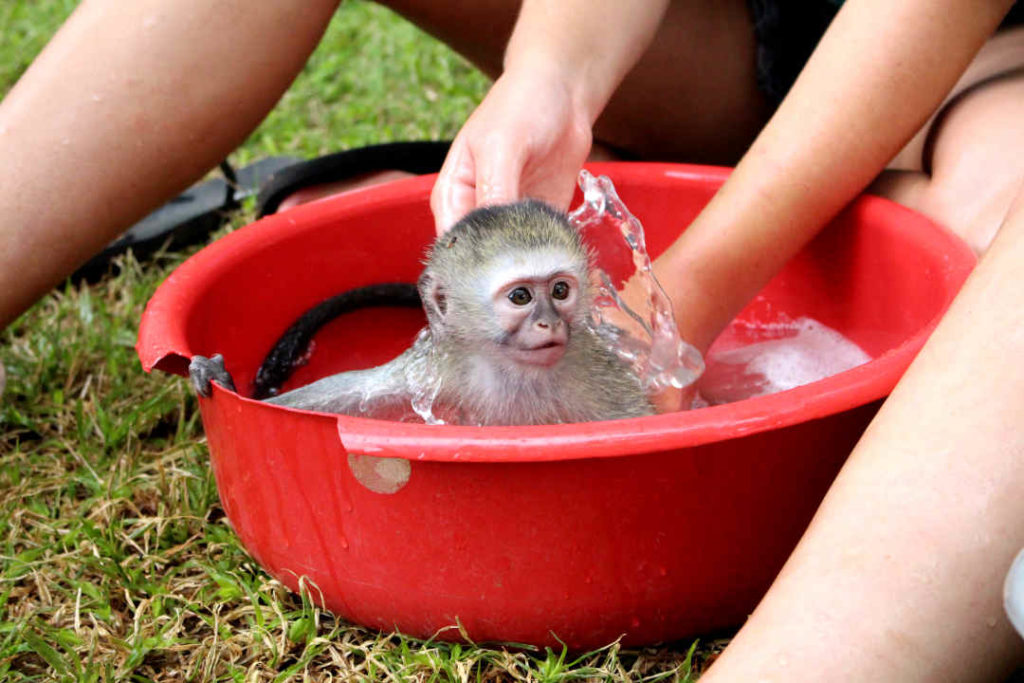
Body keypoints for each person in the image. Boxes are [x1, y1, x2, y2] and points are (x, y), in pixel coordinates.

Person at [0, 0, 1021, 679]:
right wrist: (554, 74)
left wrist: (680, 290)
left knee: (992, 208)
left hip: (977, 62)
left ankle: (818, 197)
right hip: (725, 35)